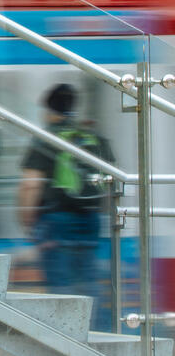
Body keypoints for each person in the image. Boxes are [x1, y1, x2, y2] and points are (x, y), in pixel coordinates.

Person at [19, 84, 115, 322]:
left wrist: (27, 219)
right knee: (88, 281)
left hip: (56, 219)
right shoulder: (92, 136)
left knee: (61, 285)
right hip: (90, 218)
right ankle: (94, 335)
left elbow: (30, 184)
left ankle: (68, 338)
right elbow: (113, 180)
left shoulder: (47, 137)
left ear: (48, 109)